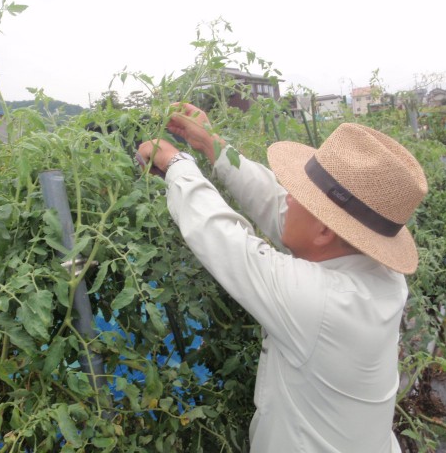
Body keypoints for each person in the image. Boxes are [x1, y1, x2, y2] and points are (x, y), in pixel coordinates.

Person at [136, 103, 428, 453]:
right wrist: (213, 144)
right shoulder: (380, 274)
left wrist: (177, 166)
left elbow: (223, 241)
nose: (287, 193)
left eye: (299, 193)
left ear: (324, 229)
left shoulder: (322, 302)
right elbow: (280, 209)